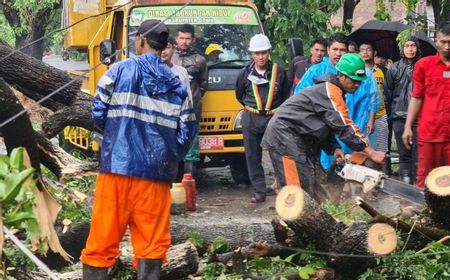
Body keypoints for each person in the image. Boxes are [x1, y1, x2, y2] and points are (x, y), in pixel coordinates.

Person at [80, 19, 197, 280]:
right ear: (164, 46)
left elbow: (98, 111)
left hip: (116, 172)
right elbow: (188, 130)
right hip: (155, 178)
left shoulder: (119, 70)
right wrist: (168, 155)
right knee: (151, 248)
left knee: (101, 244)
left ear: (141, 41)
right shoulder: (177, 83)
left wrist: (116, 134)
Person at [262, 53, 385, 201]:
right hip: (284, 136)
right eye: (354, 80)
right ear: (341, 75)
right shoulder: (330, 91)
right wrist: (371, 152)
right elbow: (344, 125)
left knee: (316, 181)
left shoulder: (335, 92)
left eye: (359, 81)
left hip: (300, 137)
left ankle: (319, 217)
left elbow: (327, 124)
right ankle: (293, 221)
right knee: (297, 186)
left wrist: (334, 148)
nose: (357, 85)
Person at [295, 33, 380, 171]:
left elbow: (373, 97)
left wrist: (370, 119)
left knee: (353, 164)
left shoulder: (363, 73)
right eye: (335, 49)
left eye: (342, 50)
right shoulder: (316, 71)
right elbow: (301, 96)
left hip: (354, 123)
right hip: (325, 128)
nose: (338, 54)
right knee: (324, 163)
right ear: (328, 50)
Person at [235, 34, 289, 203]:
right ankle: (259, 192)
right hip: (251, 117)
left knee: (279, 155)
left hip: (273, 119)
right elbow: (239, 95)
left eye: (264, 52)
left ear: (269, 52)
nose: (260, 57)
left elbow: (286, 94)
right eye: (257, 53)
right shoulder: (244, 73)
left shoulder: (279, 72)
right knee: (252, 156)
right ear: (252, 54)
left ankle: (283, 189)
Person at [402, 21, 450, 188]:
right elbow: (416, 97)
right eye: (443, 42)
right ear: (436, 41)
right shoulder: (424, 65)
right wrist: (408, 126)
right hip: (429, 132)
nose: (447, 46)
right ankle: (423, 212)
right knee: (425, 176)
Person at [384, 36, 421, 184]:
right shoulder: (394, 68)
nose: (410, 49)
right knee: (403, 152)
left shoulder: (422, 66)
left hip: (419, 117)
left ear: (417, 48)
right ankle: (405, 183)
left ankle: (418, 184)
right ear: (402, 48)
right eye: (407, 46)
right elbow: (388, 91)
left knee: (417, 153)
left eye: (413, 45)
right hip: (399, 115)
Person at [172, 24, 208, 176]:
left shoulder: (199, 61)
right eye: (181, 38)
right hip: (171, 111)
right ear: (176, 38)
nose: (184, 42)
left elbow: (204, 85)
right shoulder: (169, 56)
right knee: (171, 145)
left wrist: (193, 98)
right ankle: (172, 182)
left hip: (191, 112)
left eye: (187, 39)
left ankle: (190, 183)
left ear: (193, 40)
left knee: (191, 148)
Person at [359, 41, 389, 157]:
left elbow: (388, 91)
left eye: (368, 49)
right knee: (362, 149)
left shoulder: (383, 71)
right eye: (362, 50)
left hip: (380, 115)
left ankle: (383, 173)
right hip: (362, 116)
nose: (365, 52)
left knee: (381, 149)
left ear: (374, 52)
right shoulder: (357, 71)